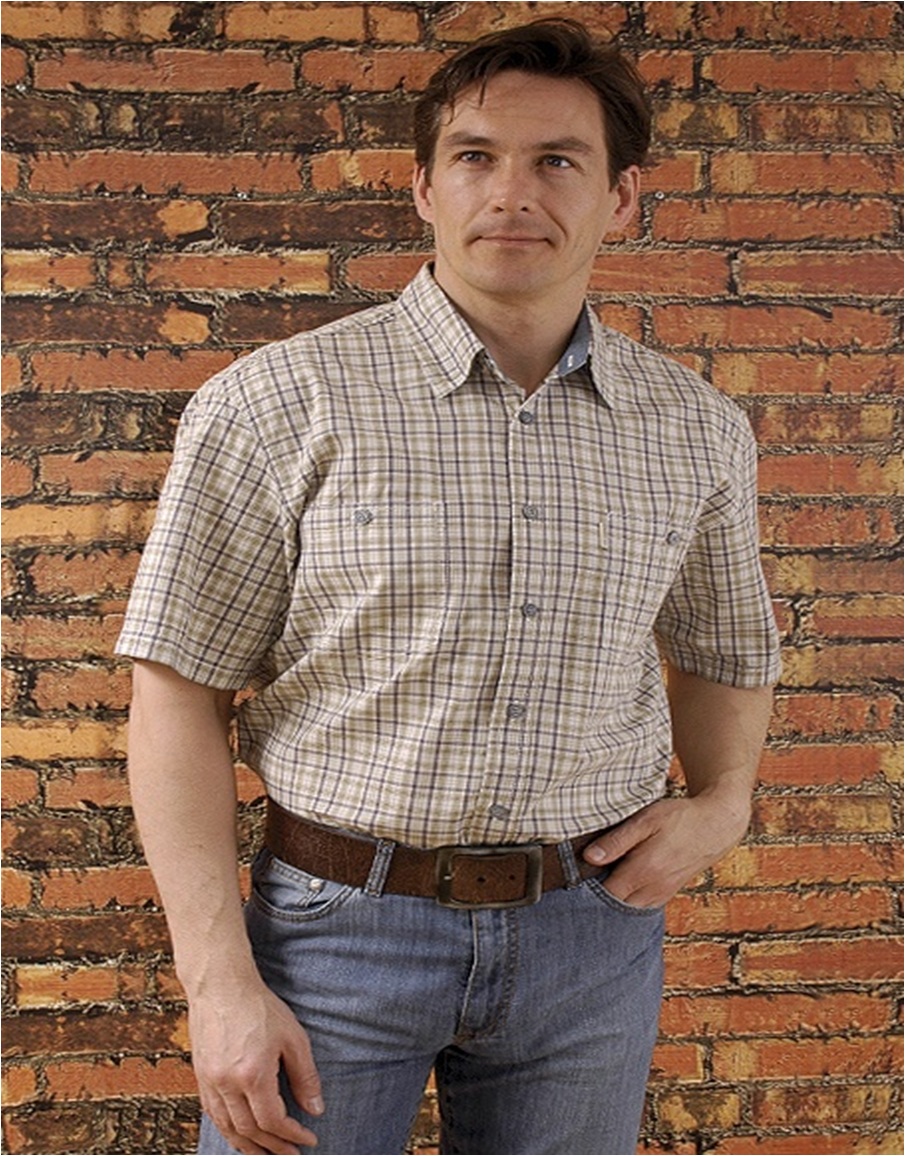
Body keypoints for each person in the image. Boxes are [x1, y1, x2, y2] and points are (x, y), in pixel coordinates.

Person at [117, 18, 781, 1156]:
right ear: (423, 187)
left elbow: (723, 652)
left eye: (557, 160)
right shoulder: (276, 403)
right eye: (476, 157)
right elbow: (177, 692)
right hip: (331, 935)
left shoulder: (694, 430)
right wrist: (218, 984)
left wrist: (722, 805)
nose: (511, 192)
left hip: (588, 940)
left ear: (621, 198)